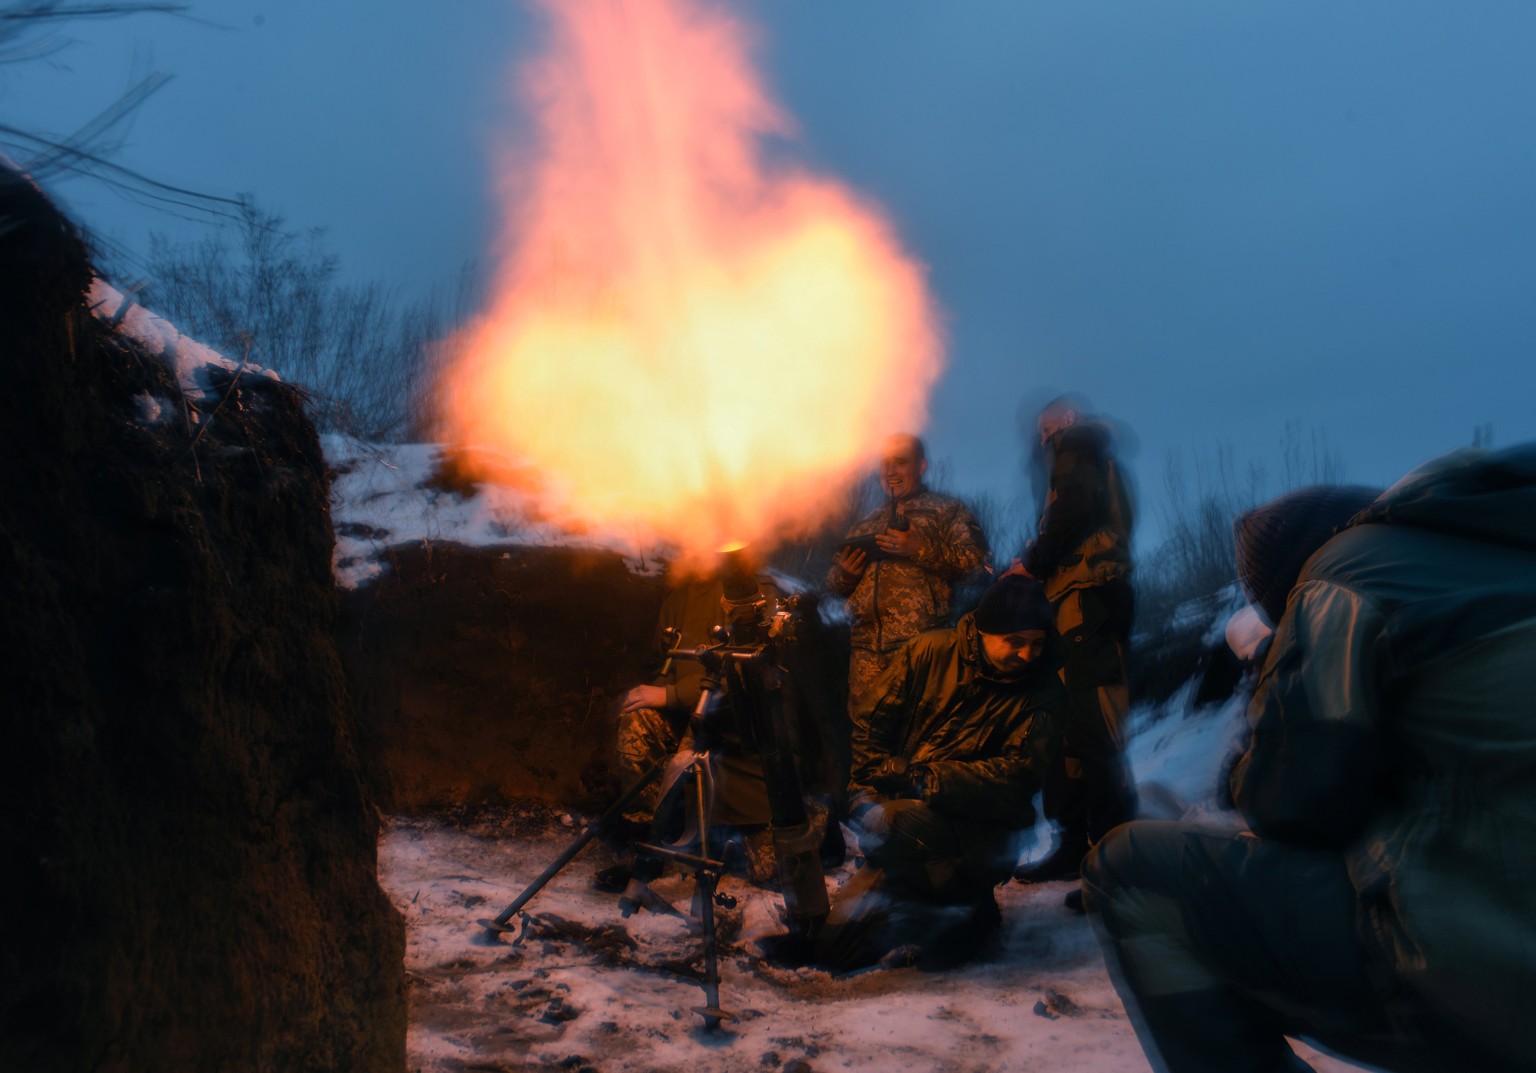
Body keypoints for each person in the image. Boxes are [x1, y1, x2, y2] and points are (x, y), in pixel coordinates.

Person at [1083, 447, 1536, 1073]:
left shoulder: (1342, 574)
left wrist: (1276, 681)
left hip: (1490, 976)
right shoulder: (1501, 545)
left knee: (1129, 871)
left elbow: (1293, 804)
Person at [807, 574, 1069, 973]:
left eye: (1037, 643)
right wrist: (863, 793)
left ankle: (971, 908)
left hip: (985, 829)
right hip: (906, 818)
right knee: (834, 953)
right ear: (983, 631)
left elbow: (1018, 775)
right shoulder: (928, 652)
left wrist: (926, 779)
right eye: (1015, 642)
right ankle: (912, 889)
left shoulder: (1045, 693)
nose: (1028, 655)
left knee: (902, 827)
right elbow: (871, 725)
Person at [1011, 395, 1136, 885]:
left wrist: (1034, 562)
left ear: (1067, 421)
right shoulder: (1081, 460)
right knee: (1065, 733)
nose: (1043, 441)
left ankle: (1115, 864)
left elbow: (1073, 516)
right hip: (1071, 608)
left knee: (1095, 732)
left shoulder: (1078, 447)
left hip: (1089, 608)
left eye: (1047, 430)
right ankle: (1073, 846)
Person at [826, 433, 991, 719]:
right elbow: (833, 584)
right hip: (866, 660)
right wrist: (846, 575)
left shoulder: (947, 512)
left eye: (900, 463)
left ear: (921, 467)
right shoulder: (865, 524)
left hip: (921, 654)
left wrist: (920, 548)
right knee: (868, 749)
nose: (890, 471)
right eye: (885, 464)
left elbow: (980, 569)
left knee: (921, 745)